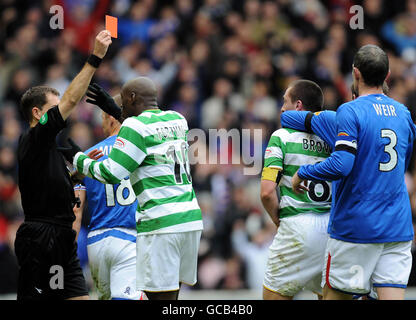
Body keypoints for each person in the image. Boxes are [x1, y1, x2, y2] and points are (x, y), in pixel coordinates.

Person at [290, 45, 415, 300]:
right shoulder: (404, 114)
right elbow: (403, 164)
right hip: (397, 227)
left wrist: (304, 172)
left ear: (355, 73)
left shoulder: (350, 110)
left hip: (357, 227)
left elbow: (341, 164)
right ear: (387, 75)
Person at [70, 77, 203, 300]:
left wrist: (79, 160)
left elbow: (111, 172)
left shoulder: (133, 127)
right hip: (190, 220)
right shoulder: (179, 119)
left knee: (156, 298)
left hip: (161, 223)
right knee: (171, 297)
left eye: (123, 102)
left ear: (132, 98)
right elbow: (144, 128)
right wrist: (113, 108)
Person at [14, 30, 112, 300]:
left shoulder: (51, 151)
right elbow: (70, 100)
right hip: (40, 241)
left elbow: (53, 185)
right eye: (54, 108)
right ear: (37, 113)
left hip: (62, 241)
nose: (63, 114)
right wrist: (95, 58)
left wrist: (78, 172)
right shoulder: (34, 138)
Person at [260, 79, 332, 300]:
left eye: (285, 101)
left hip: (297, 227)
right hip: (331, 230)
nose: (281, 108)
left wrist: (277, 220)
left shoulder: (281, 137)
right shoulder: (333, 140)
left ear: (298, 106)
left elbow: (266, 192)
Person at [73, 94, 146, 300]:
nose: (102, 123)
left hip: (96, 242)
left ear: (111, 117)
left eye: (103, 118)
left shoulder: (88, 156)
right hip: (128, 238)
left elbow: (76, 209)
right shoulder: (139, 150)